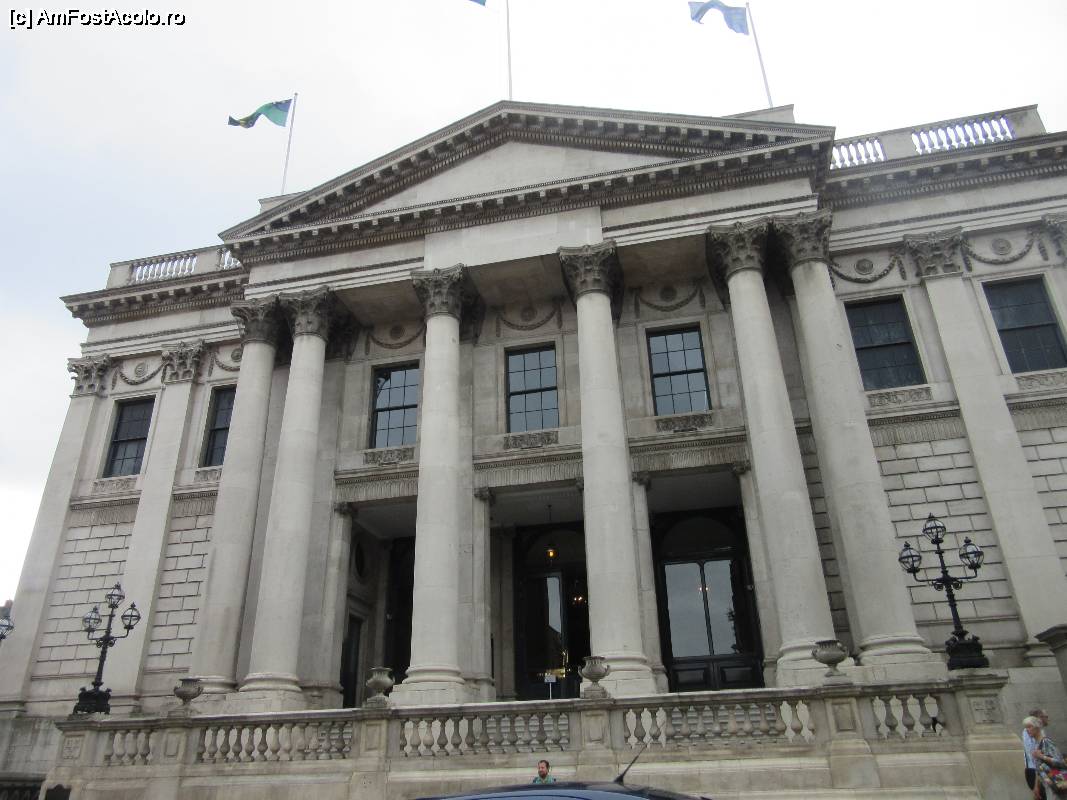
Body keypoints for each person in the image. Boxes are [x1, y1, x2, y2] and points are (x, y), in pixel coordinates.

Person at [1025, 715, 1067, 799]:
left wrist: (1042, 756)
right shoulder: (1036, 745)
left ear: (1037, 727)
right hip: (1049, 783)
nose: (1027, 730)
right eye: (1026, 727)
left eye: (1029, 726)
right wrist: (1036, 786)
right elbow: (1038, 768)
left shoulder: (1046, 742)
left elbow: (1060, 762)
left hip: (1057, 780)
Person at [1026, 709, 1051, 799]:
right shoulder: (1036, 736)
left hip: (1041, 772)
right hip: (1037, 771)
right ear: (1038, 719)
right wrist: (1036, 785)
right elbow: (1037, 760)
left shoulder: (1043, 738)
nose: (1048, 718)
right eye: (1045, 716)